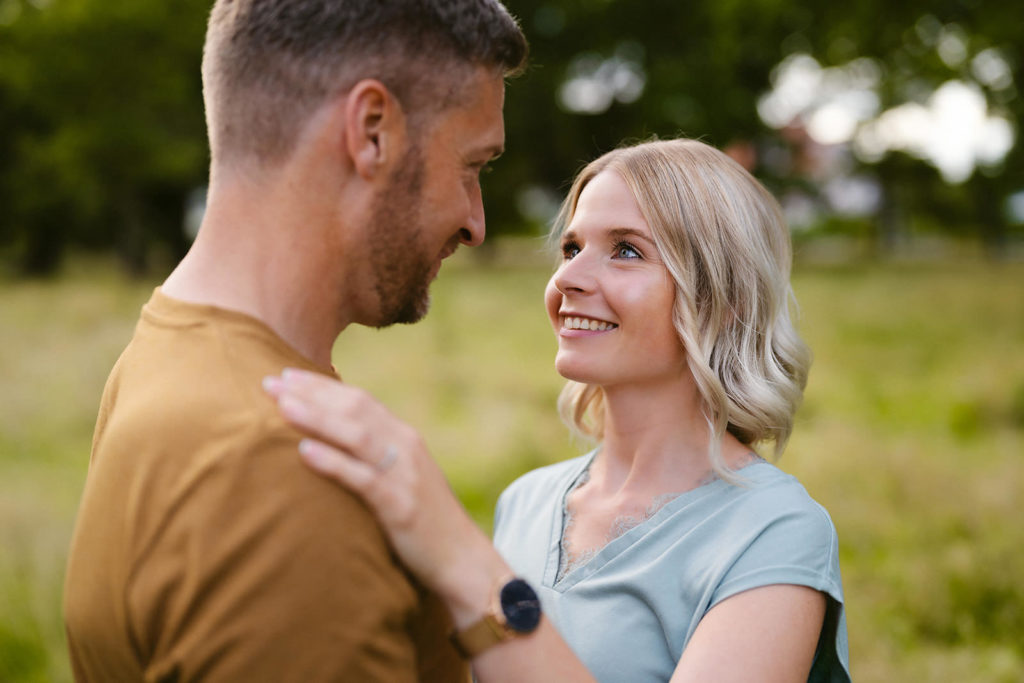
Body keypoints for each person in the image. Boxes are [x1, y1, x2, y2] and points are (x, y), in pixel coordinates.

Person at [264, 138, 851, 682]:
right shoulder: (526, 501)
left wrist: (456, 552)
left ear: (724, 300)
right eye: (572, 247)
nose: (567, 277)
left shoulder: (775, 533)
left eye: (625, 251)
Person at [63, 1, 527, 680]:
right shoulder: (277, 476)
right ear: (373, 130)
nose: (476, 222)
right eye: (472, 165)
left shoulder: (164, 349)